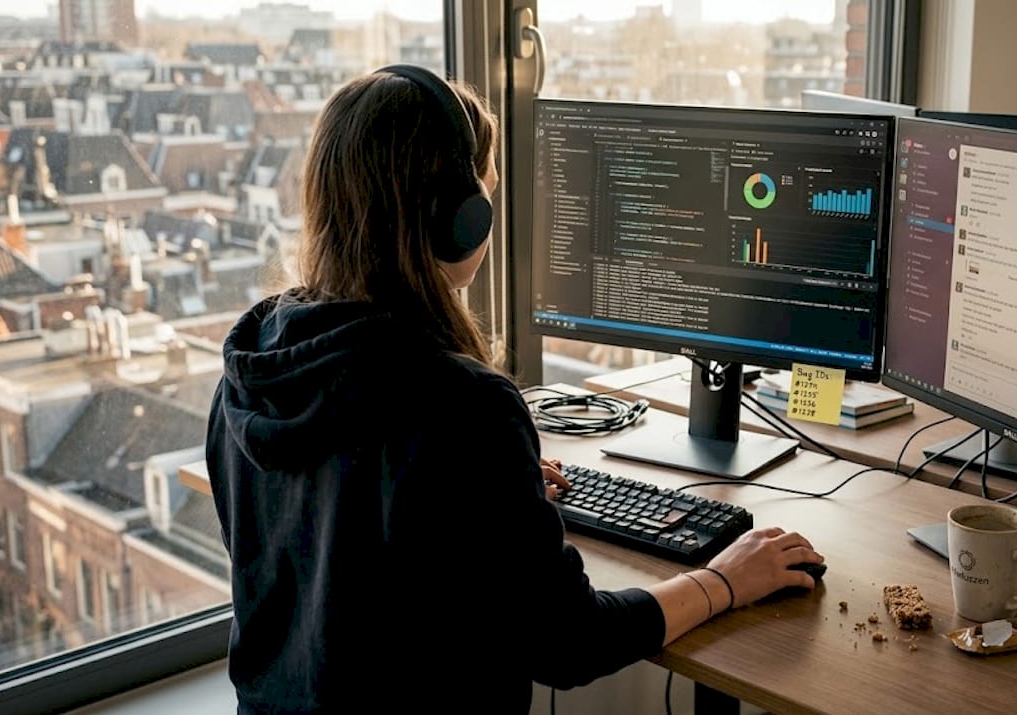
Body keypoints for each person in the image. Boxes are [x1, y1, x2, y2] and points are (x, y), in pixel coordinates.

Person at [206, 64, 825, 714]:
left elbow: (330, 544)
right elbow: (568, 641)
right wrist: (722, 580)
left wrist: (486, 490)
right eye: (487, 190)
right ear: (459, 217)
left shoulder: (253, 369)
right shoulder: (461, 407)